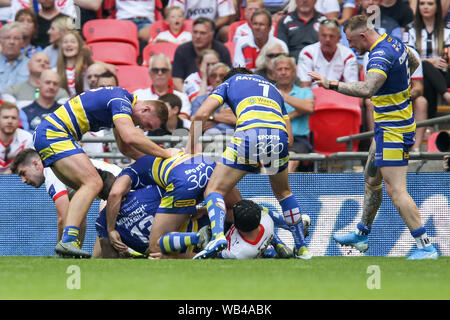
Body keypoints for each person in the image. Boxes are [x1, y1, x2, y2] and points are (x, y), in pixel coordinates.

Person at [308, 14, 439, 260]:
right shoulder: (393, 42)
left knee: (396, 190)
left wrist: (330, 84)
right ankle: (361, 234)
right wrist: (402, 82)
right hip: (386, 126)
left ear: (363, 36)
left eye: (351, 40)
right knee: (372, 180)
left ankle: (426, 247)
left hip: (394, 130)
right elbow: (414, 59)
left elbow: (367, 89)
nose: (351, 46)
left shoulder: (379, 56)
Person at [33, 86, 178, 258]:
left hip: (49, 135)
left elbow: (127, 149)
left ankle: (68, 252)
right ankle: (67, 241)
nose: (143, 128)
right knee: (93, 183)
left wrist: (158, 164)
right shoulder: (121, 100)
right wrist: (167, 154)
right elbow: (131, 136)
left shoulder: (120, 106)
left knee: (84, 192)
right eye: (146, 124)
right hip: (55, 134)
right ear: (145, 109)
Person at [186, 67, 312, 260]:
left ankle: (218, 236)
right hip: (277, 135)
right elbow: (290, 139)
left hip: (249, 133)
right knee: (284, 193)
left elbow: (200, 115)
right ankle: (302, 248)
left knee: (214, 190)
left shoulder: (228, 83)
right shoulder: (274, 90)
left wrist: (189, 150)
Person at [105, 152, 243, 257]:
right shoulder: (159, 156)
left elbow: (115, 194)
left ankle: (200, 238)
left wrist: (111, 229)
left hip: (182, 180)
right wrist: (204, 210)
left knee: (155, 246)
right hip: (205, 162)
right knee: (239, 210)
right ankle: (240, 239)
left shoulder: (129, 172)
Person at [10, 148, 121, 252]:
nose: (23, 181)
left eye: (23, 173)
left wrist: (61, 248)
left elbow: (63, 218)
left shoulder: (51, 172)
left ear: (36, 164)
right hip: (119, 181)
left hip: (117, 184)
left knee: (105, 225)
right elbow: (79, 219)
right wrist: (75, 249)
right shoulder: (58, 168)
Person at [403, 0, 450, 119]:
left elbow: (447, 56)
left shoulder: (447, 29)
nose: (425, 7)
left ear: (437, 7)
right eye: (422, 3)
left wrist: (440, 61)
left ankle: (429, 123)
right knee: (424, 68)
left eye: (430, 4)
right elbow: (409, 57)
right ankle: (446, 94)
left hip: (444, 72)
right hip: (418, 75)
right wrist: (431, 61)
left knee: (426, 70)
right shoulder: (410, 28)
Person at [273, 54, 315, 172]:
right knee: (267, 161)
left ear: (294, 72)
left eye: (287, 69)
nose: (283, 72)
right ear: (273, 73)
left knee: (289, 160)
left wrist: (283, 95)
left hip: (298, 140)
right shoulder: (266, 91)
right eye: (279, 69)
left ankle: (282, 191)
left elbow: (309, 107)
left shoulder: (304, 91)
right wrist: (297, 112)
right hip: (271, 138)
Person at [172, 17, 232, 92]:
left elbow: (228, 78)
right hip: (189, 91)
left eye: (202, 33)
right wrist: (189, 96)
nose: (197, 36)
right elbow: (176, 80)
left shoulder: (222, 50)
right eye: (195, 32)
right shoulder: (182, 50)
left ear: (212, 34)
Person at [297, 18, 359, 88]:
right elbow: (304, 86)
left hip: (339, 96)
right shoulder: (307, 53)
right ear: (318, 36)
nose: (327, 39)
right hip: (313, 96)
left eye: (331, 36)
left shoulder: (348, 55)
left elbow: (352, 87)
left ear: (339, 38)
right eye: (324, 35)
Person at [2, 52, 69, 109]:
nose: (42, 63)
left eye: (46, 62)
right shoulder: (12, 90)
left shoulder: (61, 93)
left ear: (50, 68)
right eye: (38, 61)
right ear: (28, 65)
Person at [134, 53, 192, 119]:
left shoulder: (182, 97)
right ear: (150, 73)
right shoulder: (138, 95)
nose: (160, 73)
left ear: (170, 73)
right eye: (155, 70)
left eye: (164, 70)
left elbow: (183, 119)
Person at [191, 62, 236, 139]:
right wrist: (220, 117)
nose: (217, 79)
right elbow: (195, 125)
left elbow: (238, 121)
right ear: (209, 78)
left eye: (222, 76)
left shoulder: (236, 99)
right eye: (213, 76)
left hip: (233, 139)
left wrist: (209, 116)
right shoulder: (199, 100)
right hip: (208, 141)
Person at [167, 0, 236, 42]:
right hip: (187, 28)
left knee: (227, 31)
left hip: (213, 27)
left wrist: (209, 27)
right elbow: (174, 13)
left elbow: (225, 17)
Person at [56, 30, 94, 97]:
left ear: (79, 46)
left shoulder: (86, 69)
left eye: (73, 42)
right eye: (65, 42)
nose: (69, 44)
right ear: (61, 47)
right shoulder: (55, 71)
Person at [0, 102, 34, 174]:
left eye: (13, 118)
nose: (10, 121)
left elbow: (32, 167)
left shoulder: (27, 138)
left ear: (19, 120)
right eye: (5, 117)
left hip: (19, 182)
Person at [0, 22, 30, 93]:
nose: (11, 42)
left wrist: (35, 98)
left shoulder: (31, 66)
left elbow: (37, 91)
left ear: (22, 42)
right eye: (7, 38)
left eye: (16, 38)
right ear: (1, 41)